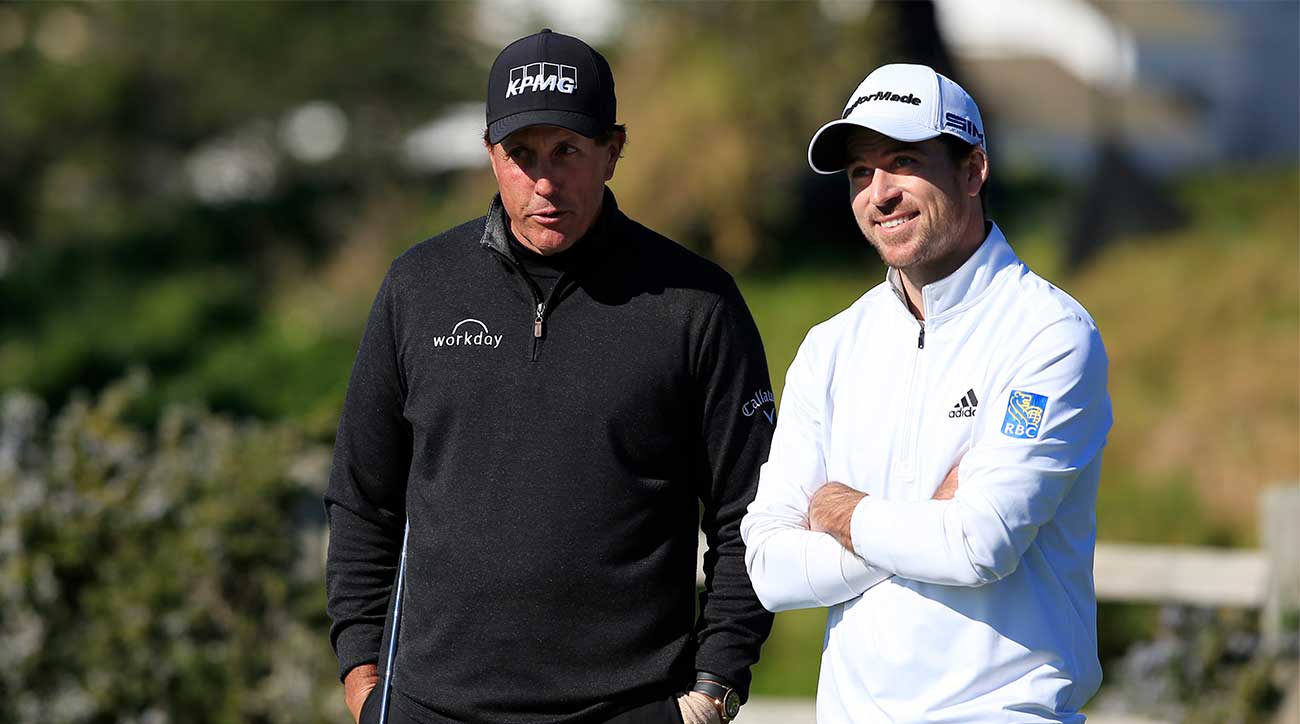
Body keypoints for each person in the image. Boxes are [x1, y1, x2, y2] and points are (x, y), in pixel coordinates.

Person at [324, 29, 774, 724]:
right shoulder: (418, 287)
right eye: (521, 154)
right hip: (430, 708)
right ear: (490, 153)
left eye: (567, 150)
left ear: (613, 151)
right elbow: (362, 497)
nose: (543, 181)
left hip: (629, 710)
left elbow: (752, 514)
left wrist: (715, 686)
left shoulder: (696, 303)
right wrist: (362, 676)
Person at [740, 63, 1112, 723]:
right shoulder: (831, 346)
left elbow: (980, 544)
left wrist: (844, 513)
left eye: (903, 162)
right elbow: (768, 568)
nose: (879, 194)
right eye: (860, 171)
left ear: (973, 170)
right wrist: (925, 518)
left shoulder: (1051, 333)